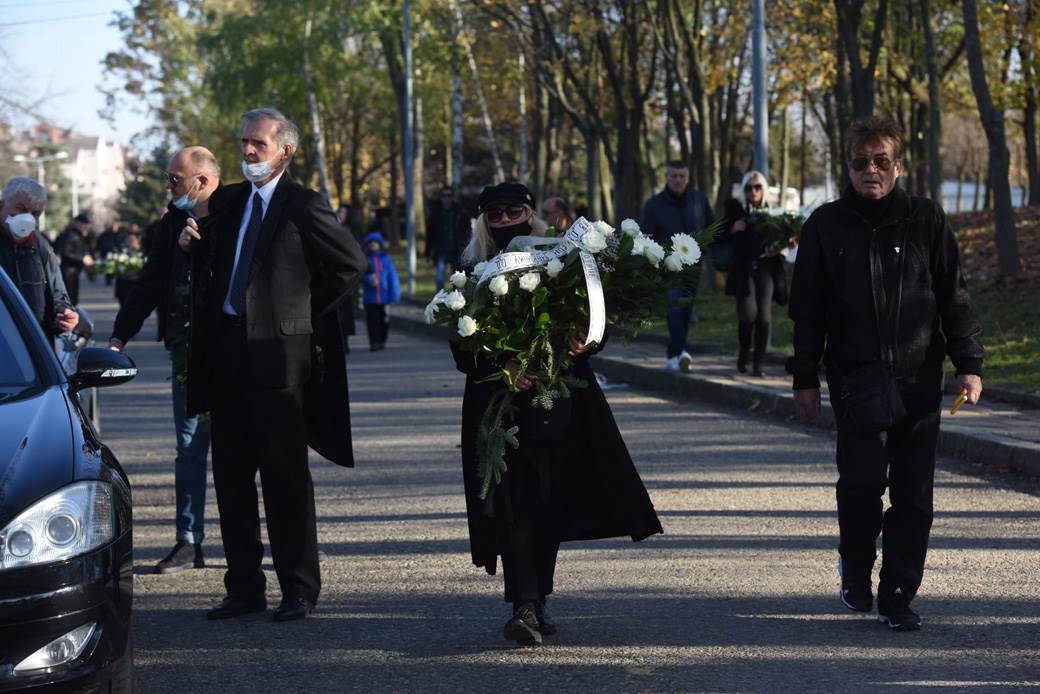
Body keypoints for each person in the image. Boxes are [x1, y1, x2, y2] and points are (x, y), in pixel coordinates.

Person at [787, 115, 984, 632]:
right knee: (861, 484)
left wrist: (969, 363)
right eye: (859, 161)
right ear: (846, 166)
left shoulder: (927, 219)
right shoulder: (825, 226)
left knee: (914, 493)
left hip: (919, 377)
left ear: (897, 166)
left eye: (880, 161)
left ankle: (897, 593)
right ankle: (855, 568)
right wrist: (804, 379)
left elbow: (953, 296)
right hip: (856, 379)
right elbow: (806, 312)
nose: (869, 170)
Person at [454, 181, 663, 646]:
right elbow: (461, 343)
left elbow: (594, 313)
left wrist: (586, 339)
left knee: (546, 500)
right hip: (500, 404)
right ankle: (524, 603)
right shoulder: (468, 269)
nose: (506, 221)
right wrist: (502, 365)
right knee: (516, 500)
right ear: (483, 222)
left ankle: (535, 599)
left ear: (532, 214)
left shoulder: (562, 258)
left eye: (515, 212)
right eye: (496, 214)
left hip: (559, 397)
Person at [179, 108, 366, 623]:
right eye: (244, 142)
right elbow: (210, 261)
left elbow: (351, 266)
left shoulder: (303, 205)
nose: (248, 152)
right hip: (227, 357)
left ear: (285, 149)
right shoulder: (231, 201)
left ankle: (299, 589)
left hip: (280, 364)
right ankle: (243, 588)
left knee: (285, 481)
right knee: (232, 479)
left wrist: (299, 317)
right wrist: (190, 248)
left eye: (258, 143)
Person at [109, 146, 222, 574]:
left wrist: (201, 251)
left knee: (237, 452)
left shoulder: (238, 215)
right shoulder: (172, 221)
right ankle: (188, 542)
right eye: (168, 178)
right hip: (186, 355)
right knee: (189, 448)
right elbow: (151, 282)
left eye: (175, 179)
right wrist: (119, 337)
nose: (169, 186)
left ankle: (246, 552)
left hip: (231, 355)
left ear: (203, 180)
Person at [639, 160, 716, 372]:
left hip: (693, 266)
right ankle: (677, 353)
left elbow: (711, 226)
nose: (678, 180)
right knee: (674, 307)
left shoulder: (699, 200)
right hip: (668, 268)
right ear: (667, 177)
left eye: (682, 176)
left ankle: (678, 352)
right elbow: (644, 235)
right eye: (674, 176)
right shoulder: (654, 205)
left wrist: (707, 248)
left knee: (686, 310)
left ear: (688, 178)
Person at [722, 171, 789, 377]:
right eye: (749, 188)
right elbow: (717, 233)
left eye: (758, 187)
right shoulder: (736, 210)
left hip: (767, 269)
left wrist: (787, 243)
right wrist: (733, 228)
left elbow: (784, 242)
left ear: (764, 189)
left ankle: (758, 365)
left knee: (764, 317)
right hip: (744, 269)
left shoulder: (774, 213)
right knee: (748, 314)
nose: (754, 191)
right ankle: (744, 353)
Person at [0, 177, 79, 339]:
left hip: (33, 348)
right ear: (2, 205)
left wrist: (65, 315)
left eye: (35, 214)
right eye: (21, 209)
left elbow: (58, 296)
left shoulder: (40, 246)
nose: (27, 218)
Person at [361, 231, 400, 351]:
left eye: (376, 242)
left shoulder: (387, 260)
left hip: (384, 298)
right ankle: (374, 342)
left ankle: (382, 340)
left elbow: (392, 277)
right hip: (370, 298)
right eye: (371, 242)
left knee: (384, 321)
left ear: (380, 244)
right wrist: (368, 279)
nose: (373, 244)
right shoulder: (365, 260)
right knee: (372, 322)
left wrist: (394, 294)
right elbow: (360, 275)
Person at [425, 185, 467, 289]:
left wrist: (465, 247)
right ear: (441, 197)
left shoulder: (459, 211)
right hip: (441, 251)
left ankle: (456, 301)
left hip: (456, 250)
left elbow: (466, 230)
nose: (446, 198)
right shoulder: (436, 213)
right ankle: (439, 301)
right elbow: (430, 234)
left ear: (452, 197)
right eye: (444, 195)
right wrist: (428, 251)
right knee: (439, 279)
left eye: (449, 195)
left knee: (457, 280)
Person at [53, 212, 95, 306]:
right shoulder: (69, 234)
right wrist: (82, 259)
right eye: (84, 224)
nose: (86, 226)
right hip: (68, 270)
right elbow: (65, 253)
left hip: (74, 270)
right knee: (70, 298)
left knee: (73, 298)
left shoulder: (79, 234)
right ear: (77, 223)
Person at [113, 226, 144, 307]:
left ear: (137, 240)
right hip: (123, 283)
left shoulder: (142, 251)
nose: (130, 241)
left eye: (132, 239)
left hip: (136, 283)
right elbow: (114, 264)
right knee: (123, 305)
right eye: (128, 239)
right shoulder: (120, 250)